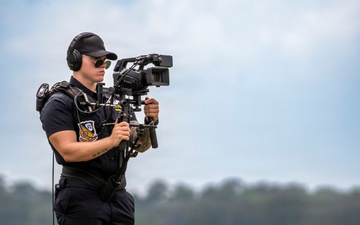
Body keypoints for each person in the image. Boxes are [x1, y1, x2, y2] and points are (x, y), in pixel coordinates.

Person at [40, 32, 159, 225]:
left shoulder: (116, 99)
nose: (102, 65)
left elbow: (140, 145)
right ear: (76, 60)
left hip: (119, 197)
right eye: (96, 60)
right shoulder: (60, 102)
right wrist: (111, 141)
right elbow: (68, 151)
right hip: (80, 198)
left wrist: (150, 121)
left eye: (105, 61)